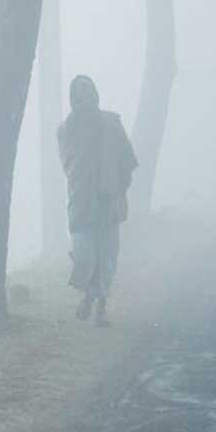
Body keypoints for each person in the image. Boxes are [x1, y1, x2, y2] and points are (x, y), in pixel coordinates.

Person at [57, 75, 138, 327]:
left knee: (107, 258)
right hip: (81, 202)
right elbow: (68, 164)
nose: (85, 101)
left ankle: (100, 305)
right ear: (73, 100)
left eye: (88, 95)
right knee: (84, 256)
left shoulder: (112, 124)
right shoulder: (65, 130)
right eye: (79, 96)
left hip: (108, 201)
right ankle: (90, 293)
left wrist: (116, 185)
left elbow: (127, 159)